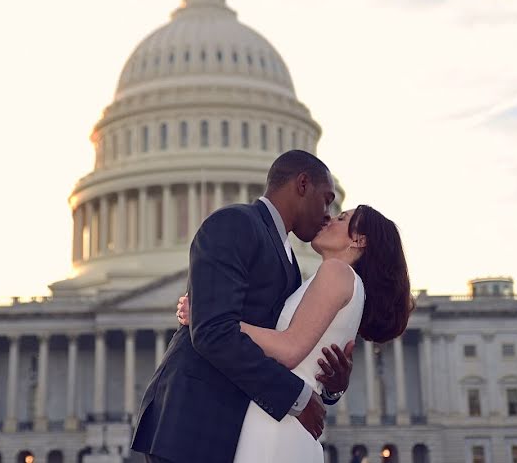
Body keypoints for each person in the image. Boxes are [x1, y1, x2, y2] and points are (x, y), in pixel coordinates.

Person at [131, 151, 356, 463]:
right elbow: (213, 333)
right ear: (302, 184)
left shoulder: (288, 261)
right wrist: (296, 398)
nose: (328, 213)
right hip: (193, 424)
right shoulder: (234, 224)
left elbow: (276, 346)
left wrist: (332, 388)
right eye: (326, 199)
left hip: (233, 431)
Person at [178, 203, 413, 462]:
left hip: (278, 421)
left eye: (341, 218)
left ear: (358, 240)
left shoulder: (336, 273)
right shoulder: (345, 284)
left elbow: (289, 350)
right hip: (286, 418)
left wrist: (211, 317)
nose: (328, 220)